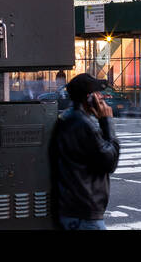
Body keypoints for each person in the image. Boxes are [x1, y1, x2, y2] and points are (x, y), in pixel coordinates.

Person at [49, 74, 121, 230]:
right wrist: (106, 121)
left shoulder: (67, 119)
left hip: (70, 209)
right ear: (89, 98)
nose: (102, 97)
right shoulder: (84, 124)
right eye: (98, 93)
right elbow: (110, 161)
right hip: (84, 214)